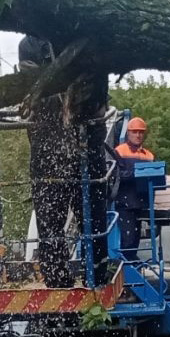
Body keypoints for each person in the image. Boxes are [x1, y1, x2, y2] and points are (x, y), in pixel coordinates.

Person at [19, 36, 111, 287]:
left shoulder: (85, 40)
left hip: (87, 141)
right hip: (46, 144)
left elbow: (96, 89)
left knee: (92, 212)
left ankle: (97, 272)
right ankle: (56, 275)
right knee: (49, 214)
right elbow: (33, 88)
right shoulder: (30, 45)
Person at [111, 117, 156, 262]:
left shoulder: (149, 156)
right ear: (128, 133)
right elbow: (116, 175)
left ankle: (130, 263)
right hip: (125, 204)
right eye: (135, 132)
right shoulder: (119, 151)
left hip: (141, 203)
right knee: (128, 239)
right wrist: (136, 174)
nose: (138, 135)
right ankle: (126, 266)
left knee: (135, 240)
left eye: (141, 132)